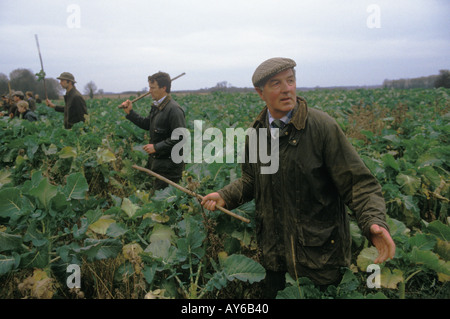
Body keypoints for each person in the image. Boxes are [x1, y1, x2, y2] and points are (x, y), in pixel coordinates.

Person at [201, 57, 396, 298]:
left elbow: (359, 184)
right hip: (273, 258)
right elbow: (252, 180)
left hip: (320, 259)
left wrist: (373, 221)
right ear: (260, 92)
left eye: (290, 81)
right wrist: (224, 196)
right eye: (276, 83)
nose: (287, 89)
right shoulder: (257, 133)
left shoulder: (322, 127)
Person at [120, 71, 186, 190]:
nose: (149, 91)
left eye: (153, 88)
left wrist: (156, 147)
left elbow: (180, 138)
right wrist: (130, 113)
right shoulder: (157, 107)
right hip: (158, 165)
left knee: (165, 205)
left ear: (164, 88)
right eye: (149, 87)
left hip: (169, 169)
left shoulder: (174, 110)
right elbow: (147, 124)